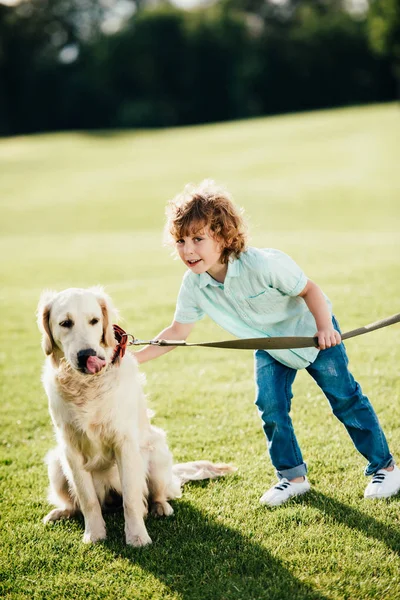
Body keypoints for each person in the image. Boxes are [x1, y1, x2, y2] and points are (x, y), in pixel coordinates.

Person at [134, 179, 400, 506]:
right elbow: (177, 331)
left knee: (345, 399)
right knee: (270, 406)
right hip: (270, 347)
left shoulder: (262, 264)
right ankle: (292, 477)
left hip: (314, 334)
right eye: (181, 241)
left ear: (223, 235)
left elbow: (310, 290)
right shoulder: (194, 285)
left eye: (198, 239)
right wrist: (133, 360)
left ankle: (384, 467)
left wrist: (324, 328)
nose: (188, 250)